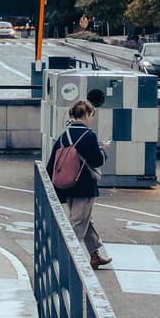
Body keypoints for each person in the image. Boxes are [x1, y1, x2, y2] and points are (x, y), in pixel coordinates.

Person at [49, 99, 112, 268]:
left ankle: (94, 255)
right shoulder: (89, 135)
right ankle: (66, 259)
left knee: (84, 220)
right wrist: (104, 150)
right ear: (87, 114)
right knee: (78, 222)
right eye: (91, 115)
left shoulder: (64, 135)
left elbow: (52, 161)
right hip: (84, 186)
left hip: (67, 185)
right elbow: (96, 159)